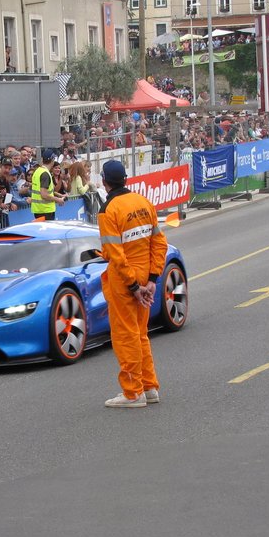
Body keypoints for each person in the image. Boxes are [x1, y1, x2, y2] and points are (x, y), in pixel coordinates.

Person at [98, 160, 167, 408]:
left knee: (125, 336)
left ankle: (132, 393)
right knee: (140, 335)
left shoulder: (108, 210)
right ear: (125, 179)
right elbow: (159, 244)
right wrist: (152, 280)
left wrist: (133, 287)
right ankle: (149, 387)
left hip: (124, 280)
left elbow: (116, 254)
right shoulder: (143, 202)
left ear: (104, 182)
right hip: (145, 274)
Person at [30, 149, 65, 220]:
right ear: (52, 160)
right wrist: (58, 200)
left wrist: (58, 195)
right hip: (46, 210)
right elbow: (44, 194)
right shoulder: (45, 174)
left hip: (38, 209)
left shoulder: (37, 171)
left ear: (42, 159)